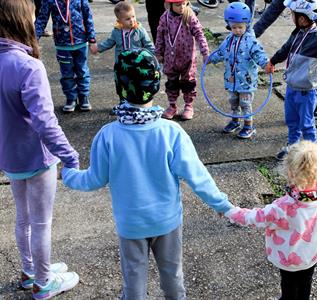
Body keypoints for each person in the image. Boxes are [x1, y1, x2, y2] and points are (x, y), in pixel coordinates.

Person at [61, 48, 233, 299]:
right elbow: (197, 176)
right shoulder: (171, 133)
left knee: (134, 281)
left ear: (119, 87)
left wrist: (68, 174)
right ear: (156, 85)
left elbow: (93, 179)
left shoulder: (108, 136)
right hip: (167, 221)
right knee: (173, 276)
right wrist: (221, 203)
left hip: (131, 224)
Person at [0, 0, 80, 298]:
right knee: (41, 222)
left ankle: (29, 270)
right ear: (22, 20)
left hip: (9, 156)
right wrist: (70, 155)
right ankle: (44, 283)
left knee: (23, 218)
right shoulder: (29, 66)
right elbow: (45, 122)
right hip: (36, 156)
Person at [225, 141, 317, 299]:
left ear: (290, 172)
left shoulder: (282, 207)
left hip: (288, 259)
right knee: (306, 281)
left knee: (289, 284)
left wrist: (230, 211)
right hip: (312, 254)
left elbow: (254, 217)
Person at [264, 0, 317, 160]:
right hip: (292, 87)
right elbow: (285, 49)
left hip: (307, 92)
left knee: (306, 124)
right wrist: (273, 61)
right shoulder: (298, 32)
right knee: (292, 121)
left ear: (303, 18)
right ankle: (293, 148)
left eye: (293, 14)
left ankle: (313, 155)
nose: (291, 16)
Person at [208, 2, 269, 139]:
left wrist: (265, 64)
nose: (237, 30)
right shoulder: (229, 39)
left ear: (247, 24)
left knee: (245, 104)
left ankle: (248, 126)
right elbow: (222, 52)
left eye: (240, 27)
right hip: (232, 79)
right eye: (233, 27)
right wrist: (212, 58)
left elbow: (259, 54)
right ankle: (235, 121)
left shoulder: (251, 41)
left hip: (246, 81)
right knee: (233, 101)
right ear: (229, 25)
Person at [35, 0, 97, 113]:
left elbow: (88, 17)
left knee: (82, 71)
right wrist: (34, 39)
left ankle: (83, 97)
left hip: (81, 43)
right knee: (66, 74)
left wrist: (92, 39)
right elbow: (41, 19)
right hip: (62, 44)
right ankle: (71, 98)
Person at [155, 0, 209, 121]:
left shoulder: (189, 16)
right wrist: (158, 52)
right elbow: (160, 35)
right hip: (170, 58)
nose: (182, 7)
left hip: (187, 58)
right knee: (171, 83)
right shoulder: (165, 17)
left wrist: (205, 52)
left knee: (188, 83)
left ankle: (189, 106)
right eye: (178, 5)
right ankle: (172, 105)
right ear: (170, 5)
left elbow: (200, 34)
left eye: (184, 4)